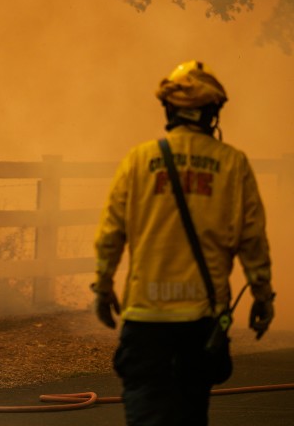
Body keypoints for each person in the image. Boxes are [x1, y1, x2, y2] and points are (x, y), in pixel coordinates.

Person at [92, 60, 275, 425]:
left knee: (145, 413)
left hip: (146, 319)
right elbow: (252, 238)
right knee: (191, 413)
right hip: (200, 323)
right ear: (212, 113)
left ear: (169, 109)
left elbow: (111, 231)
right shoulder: (233, 164)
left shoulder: (139, 160)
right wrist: (262, 294)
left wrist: (104, 284)